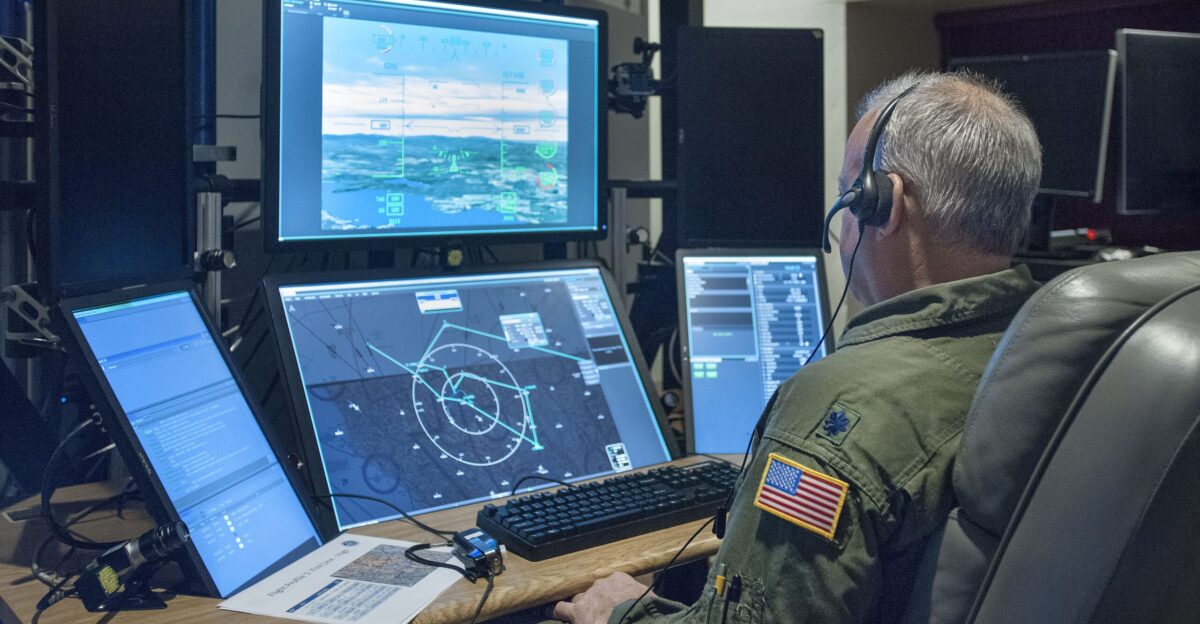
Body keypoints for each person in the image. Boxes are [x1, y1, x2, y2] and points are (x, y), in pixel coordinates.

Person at [553, 71, 1045, 624]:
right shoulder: (1055, 350)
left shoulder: (838, 410)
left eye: (847, 194)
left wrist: (618, 613)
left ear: (888, 204)